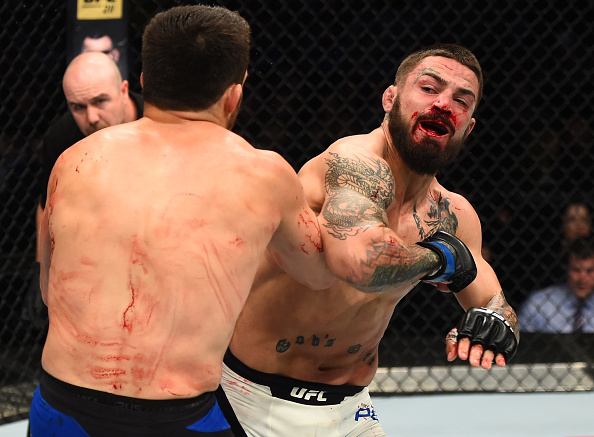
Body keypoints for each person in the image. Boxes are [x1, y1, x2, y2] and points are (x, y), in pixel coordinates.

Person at [30, 5, 334, 436]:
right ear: (234, 95)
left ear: (141, 83)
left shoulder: (74, 159)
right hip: (178, 417)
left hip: (61, 405)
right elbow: (320, 274)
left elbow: (48, 293)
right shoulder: (263, 174)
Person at [218, 44, 520, 436]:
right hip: (252, 398)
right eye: (430, 89)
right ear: (390, 98)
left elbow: (492, 301)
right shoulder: (352, 164)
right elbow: (362, 263)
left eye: (461, 100)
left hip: (350, 409)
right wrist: (441, 256)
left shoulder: (454, 215)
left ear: (468, 127)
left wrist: (494, 325)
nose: (445, 104)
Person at [27, 51, 144, 327]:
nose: (91, 117)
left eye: (100, 101)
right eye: (78, 107)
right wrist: (40, 267)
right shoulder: (62, 137)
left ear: (124, 89)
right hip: (100, 255)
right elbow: (47, 206)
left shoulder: (158, 122)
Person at [519, 237, 594, 333]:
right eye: (576, 270)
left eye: (590, 271)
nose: (583, 279)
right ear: (566, 270)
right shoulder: (539, 303)